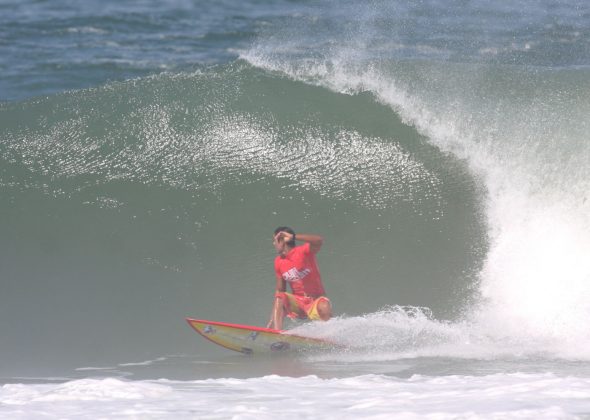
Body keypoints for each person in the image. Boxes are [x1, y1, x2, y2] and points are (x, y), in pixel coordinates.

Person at [266, 227, 332, 330]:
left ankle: (331, 335)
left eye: (275, 240)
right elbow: (280, 291)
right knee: (280, 296)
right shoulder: (278, 262)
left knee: (324, 305)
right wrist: (271, 321)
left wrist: (293, 237)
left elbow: (319, 241)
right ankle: (276, 333)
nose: (274, 244)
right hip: (298, 304)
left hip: (315, 302)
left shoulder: (303, 252)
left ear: (282, 240)